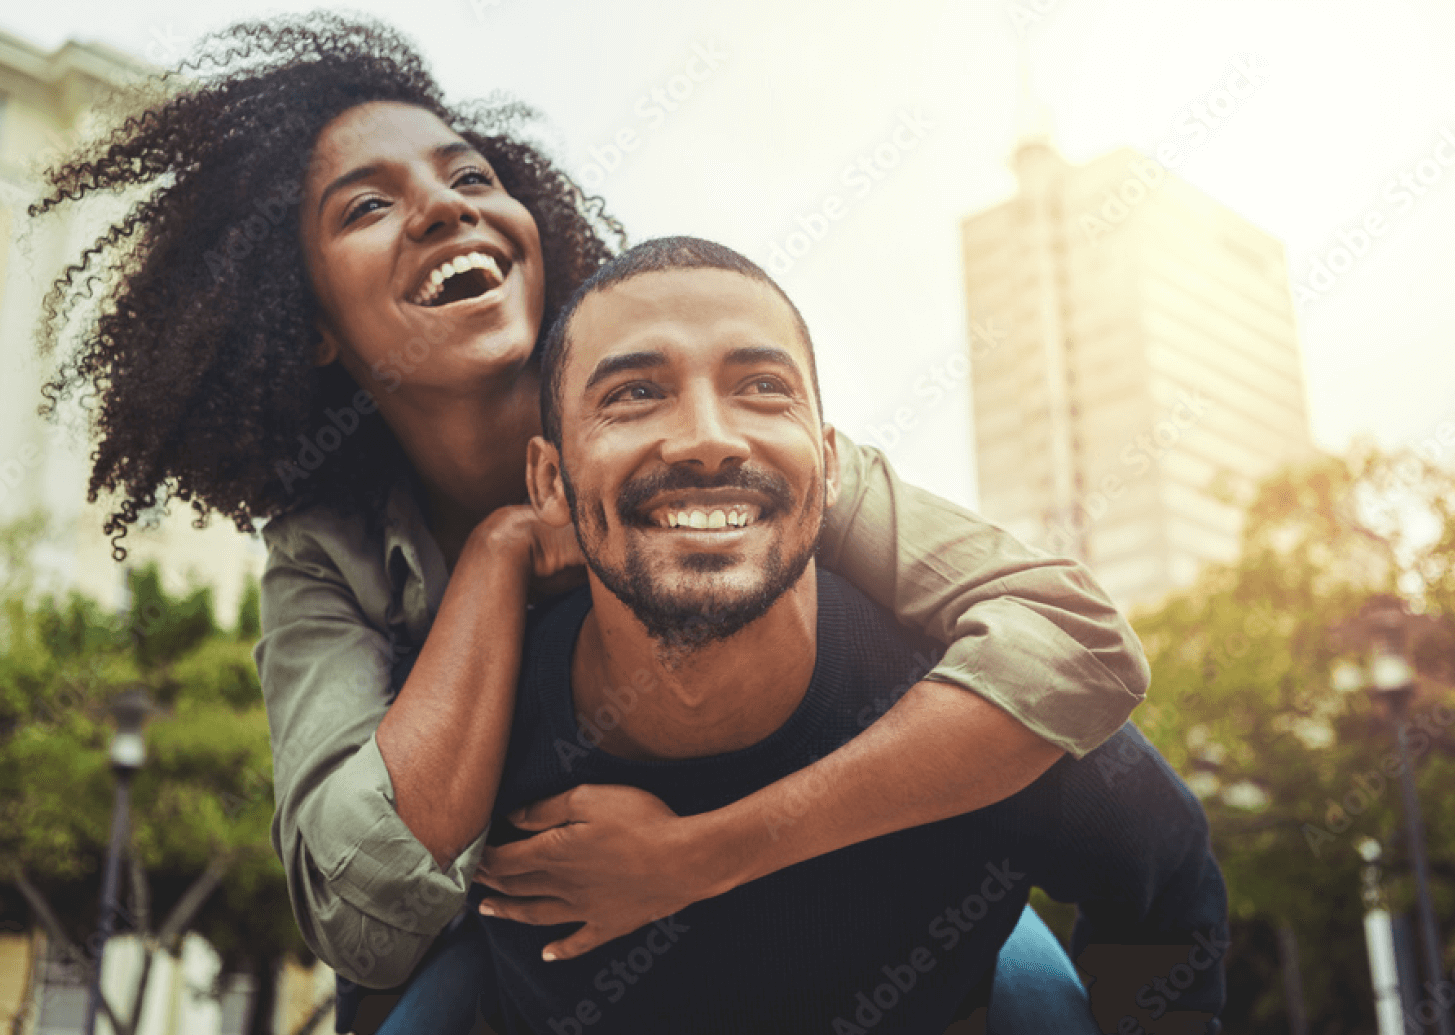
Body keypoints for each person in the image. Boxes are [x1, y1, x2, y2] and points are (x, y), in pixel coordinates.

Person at [29, 14, 1150, 1033]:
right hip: (541, 943)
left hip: (849, 888)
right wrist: (500, 553)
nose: (443, 206)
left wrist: (700, 855)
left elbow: (1072, 644)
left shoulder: (717, 438)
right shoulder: (327, 556)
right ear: (307, 322)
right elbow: (362, 910)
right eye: (367, 206)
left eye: (470, 175)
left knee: (1041, 1001)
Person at [465, 235, 1227, 1034]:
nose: (706, 436)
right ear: (549, 481)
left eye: (761, 386)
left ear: (830, 466)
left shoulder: (986, 713)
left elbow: (1165, 885)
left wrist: (694, 857)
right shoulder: (486, 726)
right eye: (634, 393)